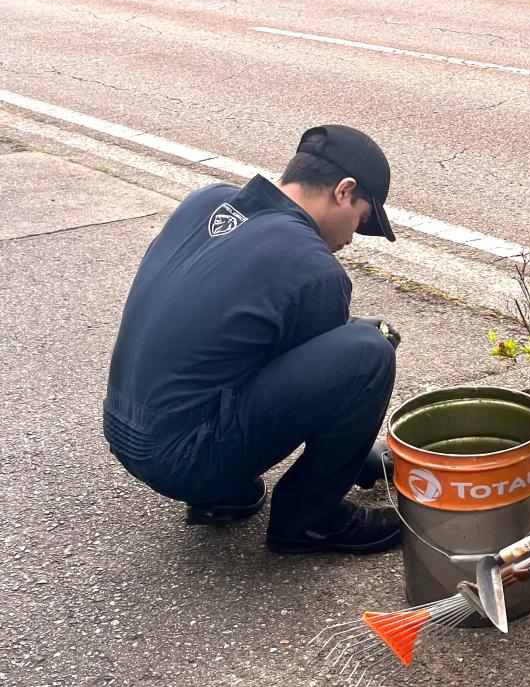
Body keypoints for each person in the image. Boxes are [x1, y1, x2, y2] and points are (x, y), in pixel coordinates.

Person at [103, 124, 404, 556]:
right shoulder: (313, 265)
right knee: (368, 352)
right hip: (187, 459)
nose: (351, 239)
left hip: (125, 431)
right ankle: (309, 522)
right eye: (360, 219)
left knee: (327, 340)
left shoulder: (206, 201)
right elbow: (320, 385)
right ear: (344, 190)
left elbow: (235, 341)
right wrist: (364, 334)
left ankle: (221, 494)